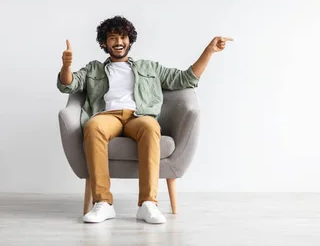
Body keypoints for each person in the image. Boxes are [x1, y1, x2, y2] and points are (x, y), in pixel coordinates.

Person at [56, 15, 232, 224]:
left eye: (123, 37)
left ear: (130, 40)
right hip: (107, 115)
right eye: (113, 38)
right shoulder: (94, 69)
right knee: (93, 127)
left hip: (139, 115)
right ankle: (103, 203)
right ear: (104, 42)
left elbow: (186, 79)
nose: (119, 42)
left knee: (150, 127)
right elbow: (67, 85)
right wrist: (66, 66)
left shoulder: (150, 68)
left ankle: (148, 204)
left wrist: (209, 51)